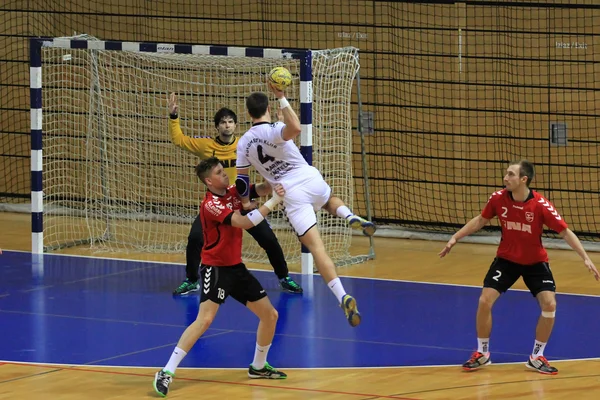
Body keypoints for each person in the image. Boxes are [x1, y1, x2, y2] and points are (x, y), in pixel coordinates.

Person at [439, 159, 600, 375]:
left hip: (535, 262)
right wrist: (455, 237)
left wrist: (585, 258)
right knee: (484, 300)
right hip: (507, 260)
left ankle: (536, 356)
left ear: (523, 179)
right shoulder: (498, 199)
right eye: (506, 174)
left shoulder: (541, 205)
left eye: (510, 174)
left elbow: (565, 232)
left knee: (550, 305)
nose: (506, 178)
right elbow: (480, 220)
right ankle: (482, 353)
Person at [235, 83, 376, 327]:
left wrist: (247, 202)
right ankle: (349, 216)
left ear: (248, 113)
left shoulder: (243, 143)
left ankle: (341, 295)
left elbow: (241, 180)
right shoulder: (275, 128)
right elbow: (296, 127)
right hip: (309, 178)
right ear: (268, 108)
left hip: (289, 193)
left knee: (318, 249)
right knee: (330, 201)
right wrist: (282, 98)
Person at [153, 157, 288, 397]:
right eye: (219, 172)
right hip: (215, 269)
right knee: (204, 320)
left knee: (270, 315)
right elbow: (244, 223)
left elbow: (261, 187)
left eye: (223, 170)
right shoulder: (211, 205)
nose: (225, 174)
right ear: (208, 180)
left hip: (236, 268)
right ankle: (166, 372)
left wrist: (274, 174)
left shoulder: (234, 191)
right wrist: (274, 201)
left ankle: (258, 366)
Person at [168, 93, 302, 295]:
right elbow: (179, 140)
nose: (227, 126)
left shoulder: (244, 143)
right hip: (219, 204)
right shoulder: (206, 146)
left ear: (236, 125)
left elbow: (272, 146)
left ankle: (284, 277)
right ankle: (192, 279)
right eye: (223, 122)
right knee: (195, 238)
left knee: (269, 240)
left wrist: (280, 126)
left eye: (231, 122)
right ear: (217, 126)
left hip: (243, 198)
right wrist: (173, 117)